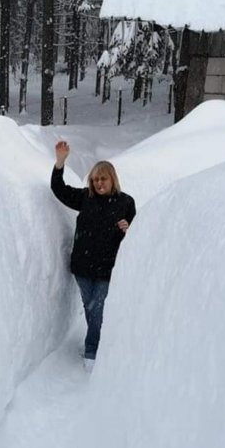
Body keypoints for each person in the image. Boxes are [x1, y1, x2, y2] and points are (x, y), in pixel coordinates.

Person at [51, 140, 136, 371]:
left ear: (112, 179)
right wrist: (60, 162)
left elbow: (136, 235)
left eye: (103, 179)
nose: (99, 183)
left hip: (108, 268)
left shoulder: (126, 203)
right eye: (95, 179)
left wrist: (129, 229)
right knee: (90, 307)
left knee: (96, 308)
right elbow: (59, 190)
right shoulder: (85, 198)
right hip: (82, 267)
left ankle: (92, 350)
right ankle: (98, 342)